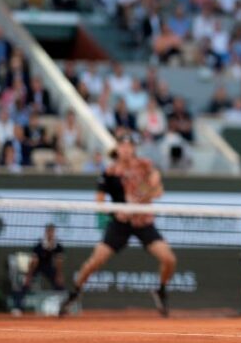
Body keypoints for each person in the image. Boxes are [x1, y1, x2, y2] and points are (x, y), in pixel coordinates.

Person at [59, 134, 177, 317]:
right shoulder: (109, 172)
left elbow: (158, 190)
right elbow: (99, 201)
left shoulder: (145, 166)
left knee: (169, 260)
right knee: (95, 262)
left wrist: (147, 191)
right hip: (120, 224)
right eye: (123, 146)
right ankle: (74, 293)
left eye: (130, 146)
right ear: (117, 149)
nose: (127, 149)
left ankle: (160, 290)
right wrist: (116, 211)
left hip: (143, 222)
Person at [13, 224, 65, 312]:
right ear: (45, 232)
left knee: (60, 285)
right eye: (49, 231)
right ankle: (18, 307)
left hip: (49, 266)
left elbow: (59, 262)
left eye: (52, 231)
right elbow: (33, 262)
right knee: (25, 284)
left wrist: (58, 275)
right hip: (36, 266)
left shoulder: (58, 246)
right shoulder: (39, 246)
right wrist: (29, 276)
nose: (50, 233)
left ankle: (64, 307)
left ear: (54, 232)